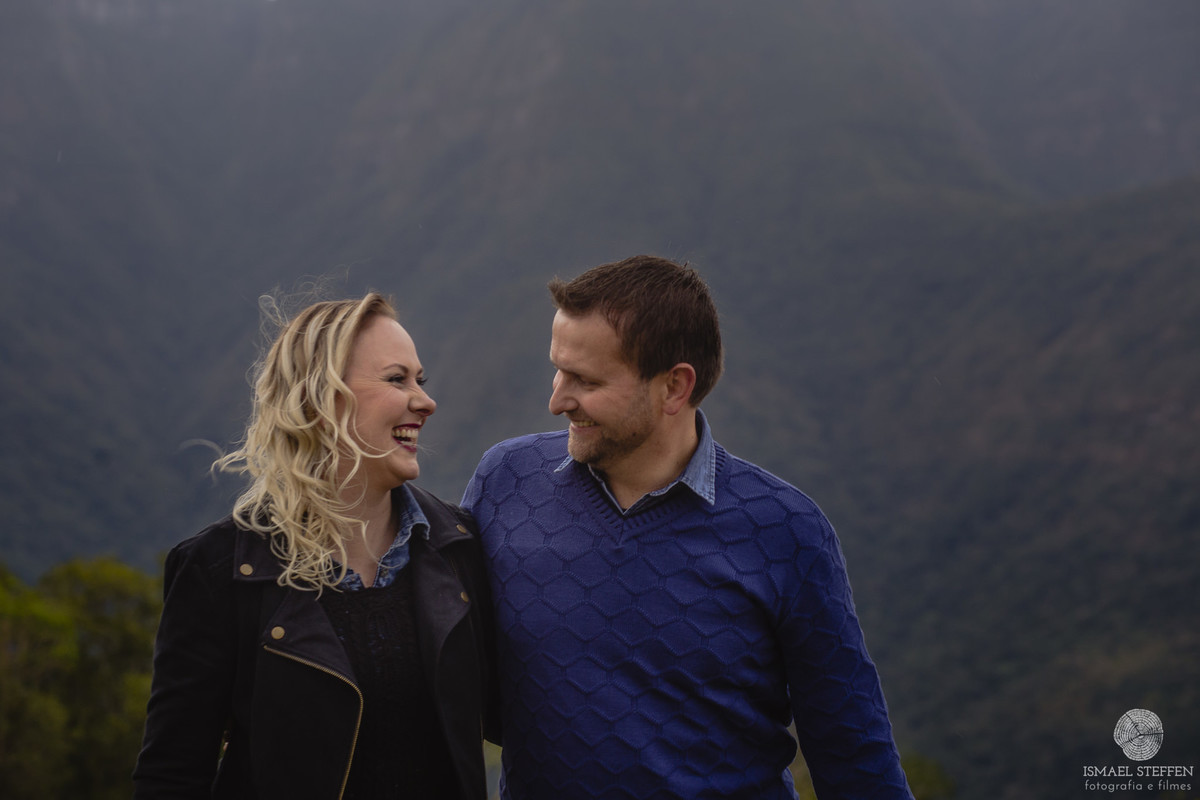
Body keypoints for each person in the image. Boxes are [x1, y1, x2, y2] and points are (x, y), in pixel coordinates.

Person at [463, 256, 912, 799]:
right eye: (558, 369)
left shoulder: (787, 532)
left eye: (584, 379)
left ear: (674, 387)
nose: (556, 400)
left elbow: (853, 751)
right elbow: (446, 670)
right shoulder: (504, 483)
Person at [134, 293, 497, 799]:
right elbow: (173, 773)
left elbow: (520, 718)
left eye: (421, 380)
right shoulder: (218, 568)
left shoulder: (458, 547)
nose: (425, 401)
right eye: (397, 379)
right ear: (320, 399)